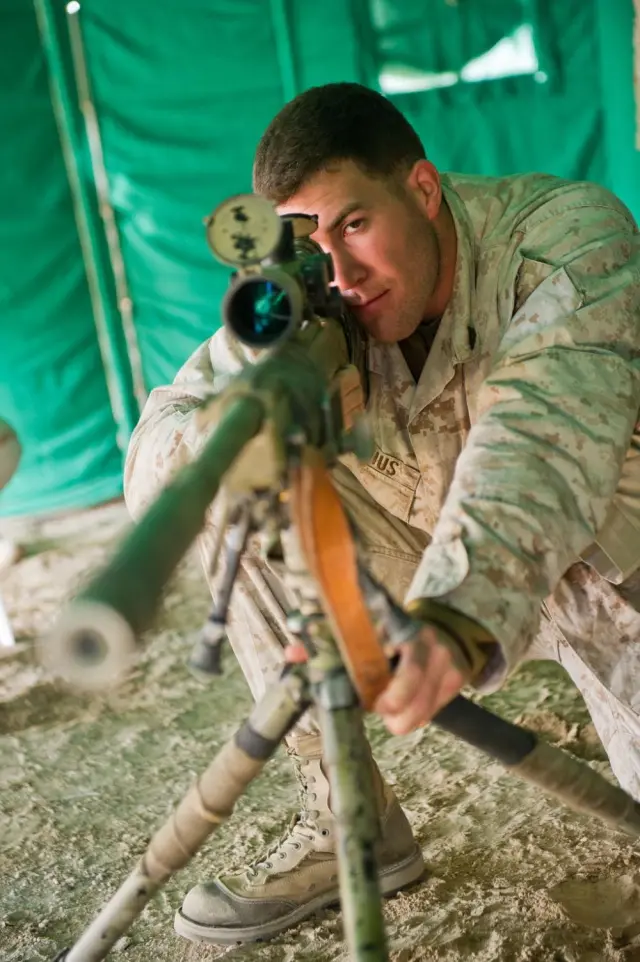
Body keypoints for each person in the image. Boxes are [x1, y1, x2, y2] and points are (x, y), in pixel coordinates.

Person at [123, 83, 640, 946]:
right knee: (227, 479)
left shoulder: (562, 237)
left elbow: (540, 441)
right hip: (432, 557)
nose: (342, 273)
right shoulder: (308, 297)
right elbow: (156, 448)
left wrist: (451, 613)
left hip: (600, 569)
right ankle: (351, 828)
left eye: (354, 224)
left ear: (424, 190)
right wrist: (260, 412)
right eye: (307, 242)